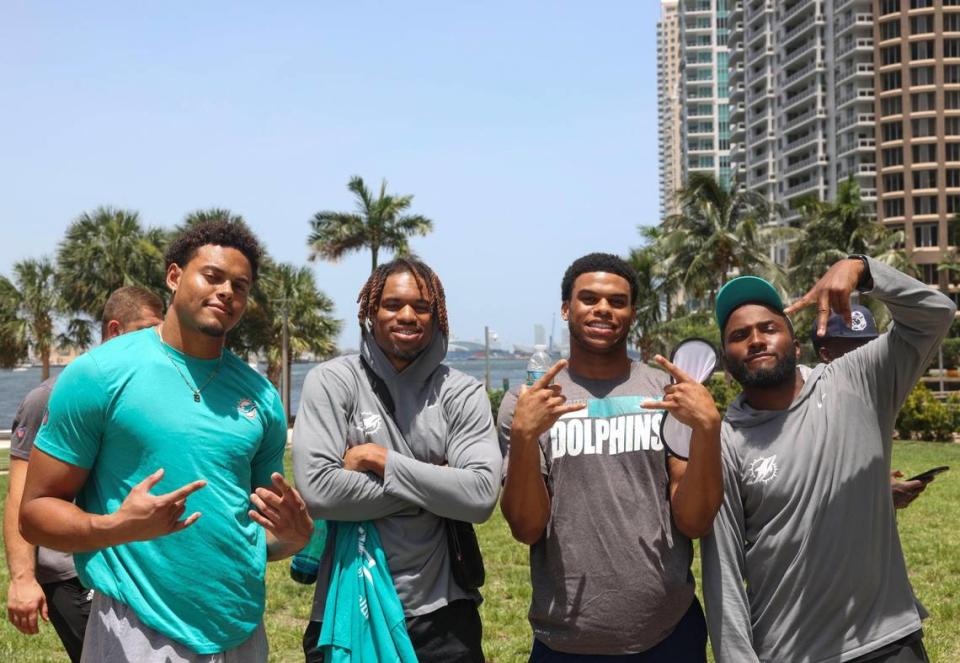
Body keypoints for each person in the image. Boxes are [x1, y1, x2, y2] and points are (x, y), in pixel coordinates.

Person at [19, 220, 314, 662]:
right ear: (174, 277)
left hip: (241, 631)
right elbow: (35, 513)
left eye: (240, 285)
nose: (226, 292)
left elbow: (254, 534)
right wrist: (116, 527)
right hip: (136, 626)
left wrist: (294, 538)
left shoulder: (261, 398)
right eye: (212, 276)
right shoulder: (99, 374)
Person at [702, 256, 956, 663]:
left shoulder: (856, 380)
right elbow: (723, 571)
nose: (756, 339)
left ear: (796, 343)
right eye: (739, 335)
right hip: (790, 652)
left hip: (887, 639)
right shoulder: (723, 441)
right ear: (727, 362)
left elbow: (936, 313)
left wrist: (863, 270)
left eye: (769, 328)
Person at [498, 252, 723, 662]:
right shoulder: (528, 404)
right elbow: (526, 529)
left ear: (632, 313)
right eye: (589, 299)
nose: (603, 308)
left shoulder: (665, 392)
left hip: (667, 633)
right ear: (566, 308)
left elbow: (694, 520)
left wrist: (707, 429)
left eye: (617, 301)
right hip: (564, 640)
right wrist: (524, 436)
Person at [293, 257, 501, 663]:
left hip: (442, 614)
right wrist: (439, 485)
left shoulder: (461, 392)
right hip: (345, 605)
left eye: (421, 307)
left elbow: (479, 497)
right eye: (392, 304)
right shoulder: (333, 382)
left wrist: (379, 460)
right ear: (370, 311)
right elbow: (318, 492)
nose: (407, 315)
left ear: (437, 314)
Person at [4, 286, 163, 663]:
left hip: (128, 570)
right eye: (146, 330)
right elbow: (19, 495)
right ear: (114, 331)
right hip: (69, 574)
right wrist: (23, 579)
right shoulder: (51, 396)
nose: (155, 344)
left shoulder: (141, 397)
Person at [811, 304, 930, 510]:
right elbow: (806, 488)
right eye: (857, 347)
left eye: (871, 344)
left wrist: (877, 477)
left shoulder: (867, 397)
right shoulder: (812, 405)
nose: (870, 354)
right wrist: (879, 493)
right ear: (825, 354)